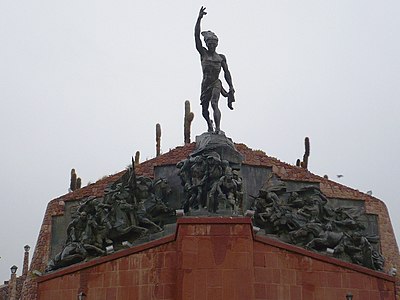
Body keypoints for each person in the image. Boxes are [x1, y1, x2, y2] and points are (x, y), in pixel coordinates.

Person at [195, 6, 235, 133]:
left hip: (216, 83)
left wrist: (231, 86)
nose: (211, 45)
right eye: (209, 43)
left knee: (214, 104)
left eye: (213, 43)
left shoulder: (221, 58)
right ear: (206, 44)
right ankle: (209, 124)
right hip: (205, 84)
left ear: (216, 44)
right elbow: (196, 36)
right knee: (204, 110)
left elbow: (227, 72)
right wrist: (199, 19)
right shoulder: (203, 54)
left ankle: (218, 129)